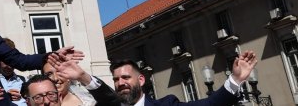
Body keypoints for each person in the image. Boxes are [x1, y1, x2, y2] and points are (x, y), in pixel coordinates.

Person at [109, 52, 257, 106]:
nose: (120, 83)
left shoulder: (167, 104)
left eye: (126, 77)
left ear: (141, 80)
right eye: (116, 79)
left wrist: (236, 79)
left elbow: (210, 104)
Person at [0, 41, 26, 106]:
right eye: (6, 62)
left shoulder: (22, 80)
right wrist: (6, 97)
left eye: (12, 62)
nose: (9, 66)